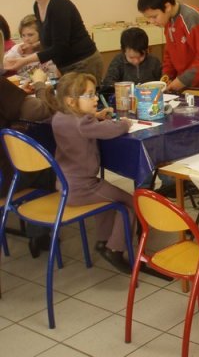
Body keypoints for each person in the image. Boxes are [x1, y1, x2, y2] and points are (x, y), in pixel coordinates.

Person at [52, 72, 133, 273]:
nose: (96, 98)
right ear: (71, 101)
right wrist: (125, 123)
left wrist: (95, 116)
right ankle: (114, 249)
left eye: (94, 93)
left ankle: (103, 241)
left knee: (106, 200)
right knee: (132, 203)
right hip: (83, 188)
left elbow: (79, 124)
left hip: (64, 186)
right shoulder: (83, 124)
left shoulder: (59, 117)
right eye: (89, 95)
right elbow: (111, 130)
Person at [4, 0, 103, 83]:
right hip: (67, 64)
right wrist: (35, 46)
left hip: (83, 62)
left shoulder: (58, 6)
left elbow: (60, 47)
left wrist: (23, 61)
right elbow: (53, 39)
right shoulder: (37, 5)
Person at [0, 60, 57, 258]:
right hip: (5, 178)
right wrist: (40, 83)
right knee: (44, 165)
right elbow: (41, 110)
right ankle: (39, 233)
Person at [3, 14, 58, 81]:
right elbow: (3, 65)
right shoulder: (17, 49)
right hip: (26, 87)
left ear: (41, 33)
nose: (26, 39)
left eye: (30, 35)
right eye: (23, 35)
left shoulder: (49, 48)